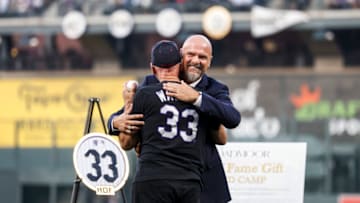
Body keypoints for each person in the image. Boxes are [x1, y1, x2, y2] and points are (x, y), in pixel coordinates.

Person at [108, 34, 241, 203]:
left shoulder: (214, 88)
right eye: (191, 55)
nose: (195, 60)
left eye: (202, 57)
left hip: (204, 181)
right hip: (160, 179)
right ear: (180, 56)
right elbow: (122, 115)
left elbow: (233, 118)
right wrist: (115, 122)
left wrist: (197, 98)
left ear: (210, 61)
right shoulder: (153, 83)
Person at [120, 40, 214, 203]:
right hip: (189, 180)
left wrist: (128, 102)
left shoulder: (145, 94)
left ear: (152, 67)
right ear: (180, 65)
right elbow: (220, 137)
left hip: (152, 178)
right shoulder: (197, 96)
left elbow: (126, 143)